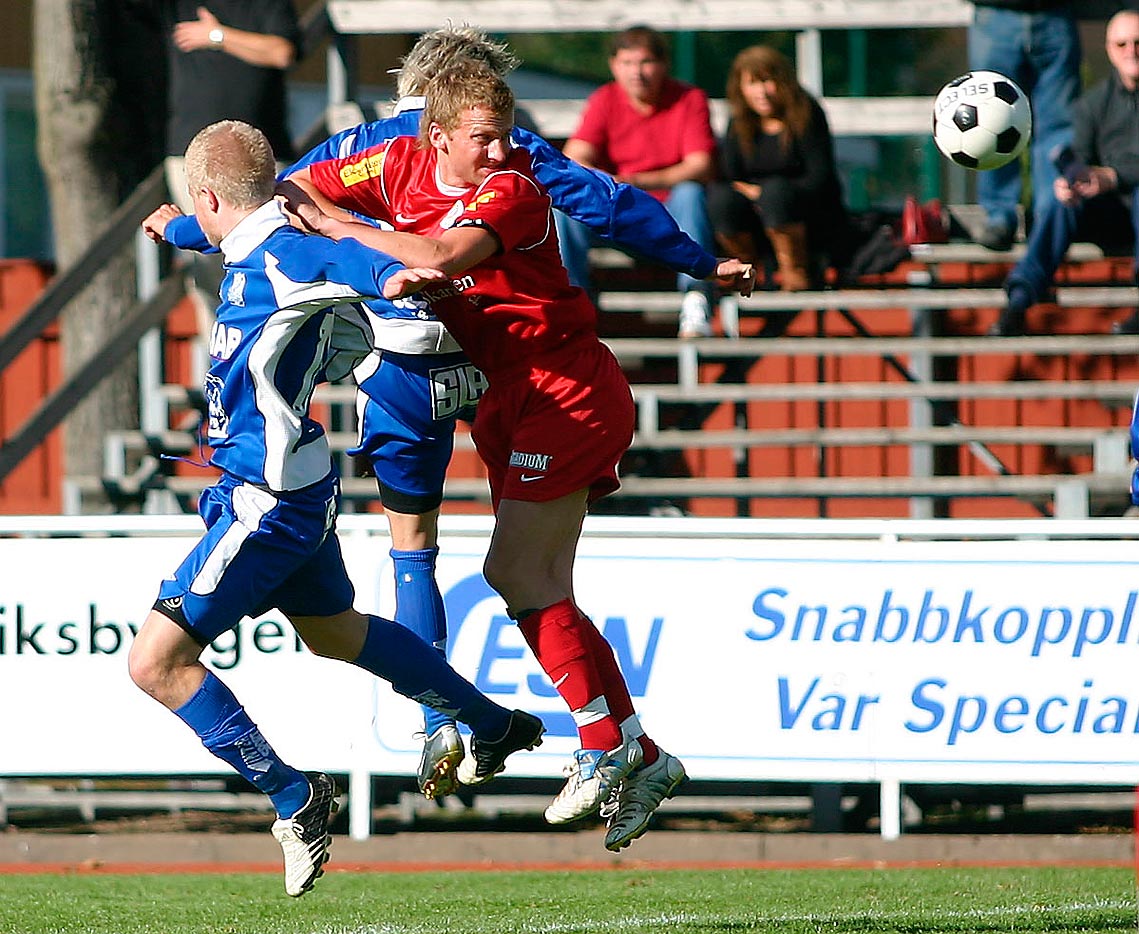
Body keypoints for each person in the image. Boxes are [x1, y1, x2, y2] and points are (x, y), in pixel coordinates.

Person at [165, 25, 754, 805]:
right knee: (511, 573)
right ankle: (595, 741)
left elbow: (288, 210)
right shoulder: (430, 149)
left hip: (482, 372)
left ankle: (558, 737)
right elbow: (257, 200)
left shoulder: (493, 170)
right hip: (483, 377)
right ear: (434, 120)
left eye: (497, 132)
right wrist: (698, 260)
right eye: (478, 131)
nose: (498, 145)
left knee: (467, 557)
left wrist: (699, 262)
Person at [135, 119, 545, 896]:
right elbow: (221, 225)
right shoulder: (244, 231)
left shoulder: (290, 251)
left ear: (210, 193)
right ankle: (493, 723)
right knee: (335, 634)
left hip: (267, 500)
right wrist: (175, 228)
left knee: (154, 664)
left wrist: (391, 280)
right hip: (291, 487)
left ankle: (294, 796)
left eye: (199, 209)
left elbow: (342, 260)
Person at [159, 1, 301, 368]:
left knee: (270, 257)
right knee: (208, 267)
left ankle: (276, 359)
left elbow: (282, 51)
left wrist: (217, 36)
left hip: (263, 157)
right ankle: (222, 367)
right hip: (191, 159)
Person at [556, 25, 720, 338]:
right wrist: (604, 181)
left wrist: (634, 181)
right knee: (565, 208)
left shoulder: (689, 99)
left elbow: (701, 165)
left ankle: (695, 299)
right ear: (613, 66)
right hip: (617, 210)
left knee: (690, 193)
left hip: (669, 213)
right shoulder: (605, 99)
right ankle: (572, 305)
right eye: (627, 63)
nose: (637, 73)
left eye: (645, 62)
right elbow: (574, 155)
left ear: (663, 64)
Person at [991, 10, 1139, 337]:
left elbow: (1111, 175)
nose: (1132, 50)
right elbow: (1082, 160)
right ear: (1109, 49)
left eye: (1138, 42)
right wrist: (1073, 182)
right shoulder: (1092, 104)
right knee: (1062, 203)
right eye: (1122, 43)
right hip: (1111, 214)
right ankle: (1019, 298)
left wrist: (1113, 176)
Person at [707, 45, 852, 292]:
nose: (761, 92)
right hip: (755, 217)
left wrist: (766, 194)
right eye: (752, 83)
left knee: (776, 193)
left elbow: (819, 178)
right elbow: (729, 176)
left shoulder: (807, 114)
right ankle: (742, 269)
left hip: (806, 217)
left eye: (768, 81)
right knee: (720, 199)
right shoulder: (739, 122)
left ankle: (794, 270)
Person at [968, 1, 1081, 251]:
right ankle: (999, 216)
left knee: (1058, 126)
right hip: (995, 14)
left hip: (1053, 14)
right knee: (988, 121)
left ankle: (1050, 218)